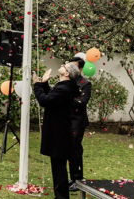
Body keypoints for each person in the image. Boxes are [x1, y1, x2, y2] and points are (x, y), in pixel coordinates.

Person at [33, 62, 82, 199]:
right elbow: (52, 99)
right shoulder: (64, 87)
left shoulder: (64, 89)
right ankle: (60, 196)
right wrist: (44, 84)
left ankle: (61, 197)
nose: (62, 65)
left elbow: (45, 100)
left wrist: (37, 85)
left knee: (59, 168)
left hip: (59, 133)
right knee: (58, 167)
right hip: (59, 131)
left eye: (65, 66)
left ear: (67, 74)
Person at [67, 54, 92, 191]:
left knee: (75, 150)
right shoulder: (65, 81)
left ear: (81, 69)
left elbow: (82, 103)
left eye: (74, 67)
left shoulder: (85, 84)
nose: (71, 69)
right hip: (65, 120)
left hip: (77, 121)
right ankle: (71, 178)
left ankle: (77, 179)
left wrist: (67, 97)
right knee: (67, 149)